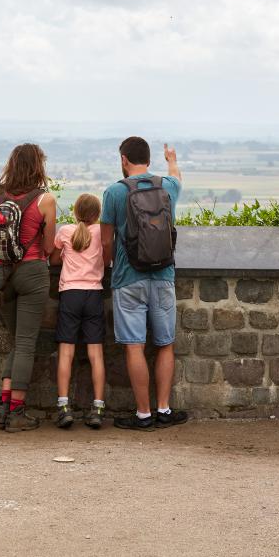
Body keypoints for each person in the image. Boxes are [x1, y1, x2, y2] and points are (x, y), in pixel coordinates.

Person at [100, 136, 188, 431]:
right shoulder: (168, 187)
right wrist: (172, 159)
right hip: (163, 276)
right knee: (165, 345)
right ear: (149, 160)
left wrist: (109, 269)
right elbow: (177, 177)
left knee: (134, 346)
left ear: (124, 159)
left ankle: (143, 414)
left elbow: (105, 241)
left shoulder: (114, 193)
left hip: (128, 278)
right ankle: (163, 409)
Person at [0, 143, 56, 432]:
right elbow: (49, 246)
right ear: (38, 166)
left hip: (2, 273)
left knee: (18, 341)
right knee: (27, 343)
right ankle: (17, 412)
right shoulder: (45, 200)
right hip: (32, 271)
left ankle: (4, 406)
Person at [49, 194, 110, 429]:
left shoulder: (65, 232)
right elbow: (106, 259)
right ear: (98, 214)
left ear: (75, 212)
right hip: (93, 294)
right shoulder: (101, 233)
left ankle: (64, 407)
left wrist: (64, 254)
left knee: (66, 353)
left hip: (70, 295)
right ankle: (98, 407)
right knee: (96, 355)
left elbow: (54, 260)